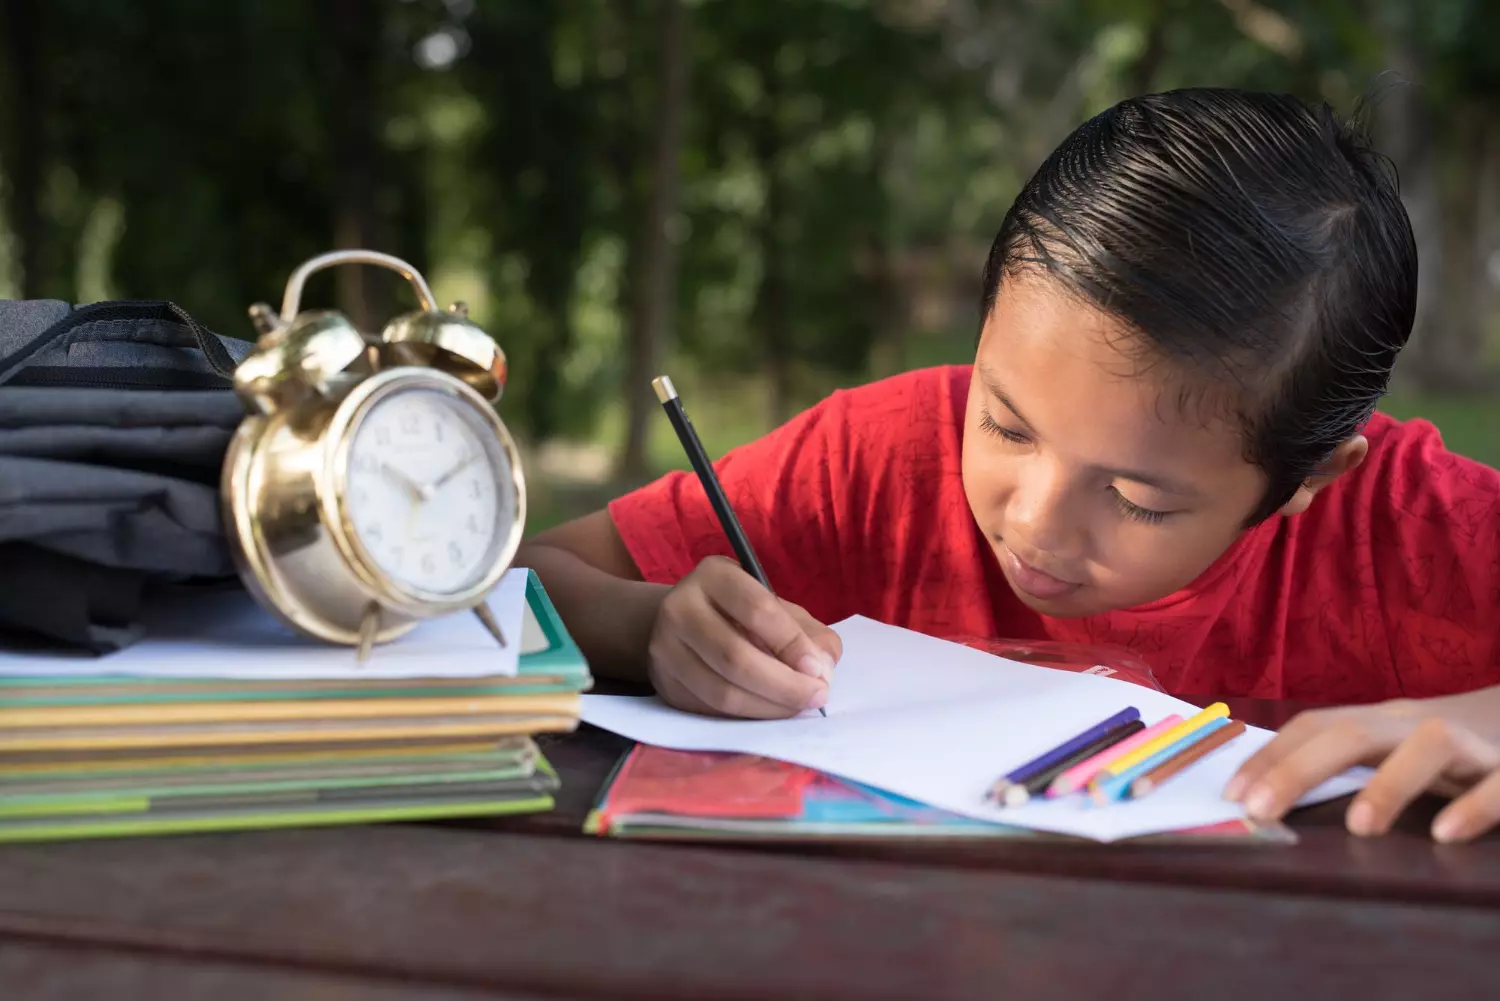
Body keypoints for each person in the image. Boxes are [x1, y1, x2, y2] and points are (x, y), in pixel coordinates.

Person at [517, 89, 1500, 843]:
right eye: (1008, 424)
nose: (1033, 521)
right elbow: (530, 578)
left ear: (1308, 479)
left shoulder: (1412, 535)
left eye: (1135, 498)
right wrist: (647, 627)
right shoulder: (881, 459)